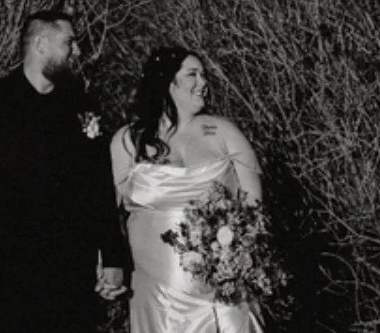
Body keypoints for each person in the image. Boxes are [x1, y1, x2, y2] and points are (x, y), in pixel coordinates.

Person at [0, 10, 128, 332]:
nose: (77, 52)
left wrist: (113, 256)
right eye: (69, 43)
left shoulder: (82, 106)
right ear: (41, 44)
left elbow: (99, 187)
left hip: (73, 264)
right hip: (11, 265)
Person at [110, 46, 265, 333]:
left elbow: (254, 207)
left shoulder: (224, 133)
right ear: (166, 82)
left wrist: (233, 256)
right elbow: (109, 214)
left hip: (222, 287)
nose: (203, 83)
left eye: (204, 75)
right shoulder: (128, 141)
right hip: (157, 291)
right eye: (192, 74)